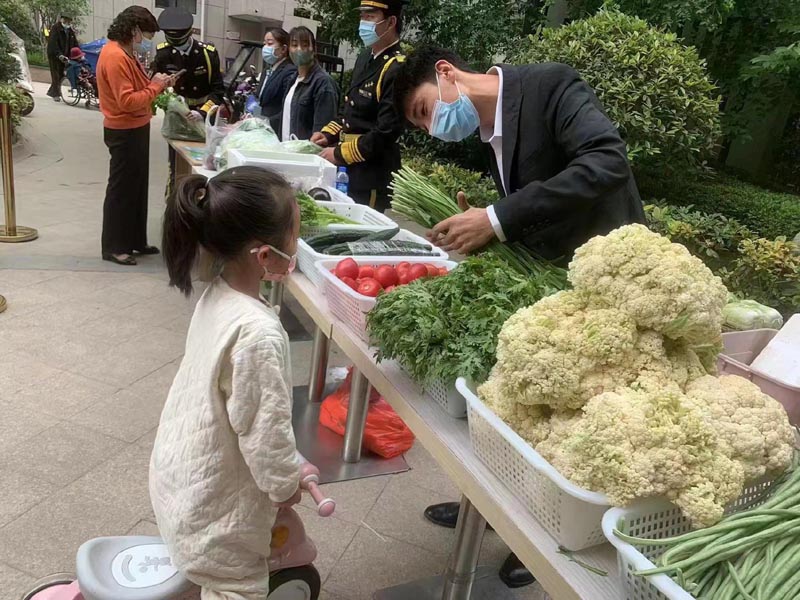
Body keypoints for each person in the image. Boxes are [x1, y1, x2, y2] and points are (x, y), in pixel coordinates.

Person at [393, 45, 646, 588]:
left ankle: (536, 536)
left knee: (559, 421)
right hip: (550, 285)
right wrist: (484, 221)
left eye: (423, 110)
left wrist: (499, 217)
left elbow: (606, 162)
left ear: (446, 74)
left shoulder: (551, 83)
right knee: (515, 407)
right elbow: (537, 197)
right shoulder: (491, 131)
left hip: (602, 287)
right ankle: (483, 509)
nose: (432, 126)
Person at [150, 166, 303, 600]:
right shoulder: (258, 332)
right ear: (264, 255)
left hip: (179, 479)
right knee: (236, 586)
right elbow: (264, 431)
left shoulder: (217, 295)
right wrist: (286, 486)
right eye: (294, 233)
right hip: (218, 514)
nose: (297, 244)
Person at [96, 6, 176, 266]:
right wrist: (156, 86)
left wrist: (159, 82)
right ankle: (115, 246)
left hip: (135, 126)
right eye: (144, 34)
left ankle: (134, 241)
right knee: (122, 190)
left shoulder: (124, 53)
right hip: (124, 129)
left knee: (137, 188)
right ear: (133, 30)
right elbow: (128, 100)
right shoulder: (115, 56)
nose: (145, 40)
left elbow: (139, 88)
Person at [310, 0, 406, 211]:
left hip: (370, 174)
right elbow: (348, 110)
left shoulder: (396, 68)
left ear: (390, 22)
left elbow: (385, 132)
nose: (363, 23)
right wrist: (327, 135)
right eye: (362, 17)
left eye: (370, 17)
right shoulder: (365, 57)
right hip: (348, 171)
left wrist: (338, 154)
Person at [152, 7, 225, 120]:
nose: (177, 45)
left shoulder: (208, 54)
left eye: (180, 41)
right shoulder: (163, 54)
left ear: (189, 33)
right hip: (176, 113)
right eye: (172, 42)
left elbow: (218, 90)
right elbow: (155, 84)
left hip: (204, 112)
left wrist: (203, 112)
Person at [280, 27, 338, 142]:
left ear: (314, 49)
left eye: (305, 45)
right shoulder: (293, 80)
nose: (299, 50)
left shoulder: (323, 83)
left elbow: (321, 132)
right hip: (287, 151)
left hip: (304, 155)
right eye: (295, 45)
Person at [258, 28, 297, 135]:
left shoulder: (289, 71)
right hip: (261, 126)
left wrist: (266, 123)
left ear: (284, 49)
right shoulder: (268, 70)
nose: (265, 47)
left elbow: (286, 107)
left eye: (270, 43)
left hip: (275, 129)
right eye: (264, 43)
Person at [46, 15, 79, 101]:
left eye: (69, 21)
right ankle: (55, 94)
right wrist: (59, 54)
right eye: (66, 20)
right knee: (56, 75)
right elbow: (53, 44)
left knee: (61, 75)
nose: (68, 23)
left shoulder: (70, 31)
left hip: (65, 56)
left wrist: (77, 54)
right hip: (55, 56)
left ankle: (52, 91)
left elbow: (75, 43)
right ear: (62, 20)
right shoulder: (56, 28)